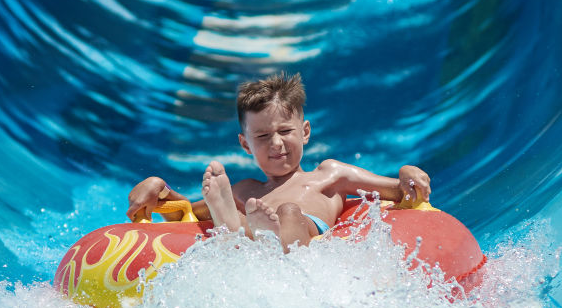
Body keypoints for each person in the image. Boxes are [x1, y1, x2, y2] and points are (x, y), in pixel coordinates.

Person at [127, 72, 431, 251]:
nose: (276, 143)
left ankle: (254, 233)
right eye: (261, 136)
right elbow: (185, 215)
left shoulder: (330, 174)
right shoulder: (244, 191)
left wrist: (407, 171)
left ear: (305, 132)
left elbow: (397, 190)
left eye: (285, 131)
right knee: (242, 213)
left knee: (288, 211)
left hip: (304, 234)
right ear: (245, 144)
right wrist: (160, 190)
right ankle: (236, 226)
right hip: (253, 234)